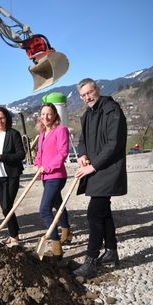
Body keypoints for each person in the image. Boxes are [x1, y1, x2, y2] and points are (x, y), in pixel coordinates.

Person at [73, 78, 127, 278]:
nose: (88, 97)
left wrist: (93, 166)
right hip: (95, 169)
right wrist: (82, 154)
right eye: (84, 95)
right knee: (103, 212)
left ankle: (91, 260)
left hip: (109, 169)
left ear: (98, 89)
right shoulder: (87, 114)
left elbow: (113, 144)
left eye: (90, 92)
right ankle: (111, 251)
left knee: (94, 213)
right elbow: (82, 140)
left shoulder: (112, 110)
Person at [34, 102, 70, 258]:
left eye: (48, 114)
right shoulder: (42, 133)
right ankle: (67, 232)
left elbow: (62, 153)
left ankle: (56, 246)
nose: (45, 117)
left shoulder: (60, 130)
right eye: (43, 114)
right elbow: (40, 154)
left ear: (55, 115)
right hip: (45, 176)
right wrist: (37, 164)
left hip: (56, 175)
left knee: (44, 209)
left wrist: (47, 167)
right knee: (57, 203)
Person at [0, 107, 25, 246]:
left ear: (6, 118)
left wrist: (2, 157)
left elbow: (21, 155)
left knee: (7, 206)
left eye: (1, 118)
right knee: (4, 206)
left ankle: (14, 235)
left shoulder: (13, 134)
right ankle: (14, 233)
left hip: (12, 175)